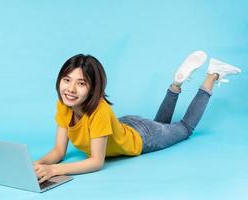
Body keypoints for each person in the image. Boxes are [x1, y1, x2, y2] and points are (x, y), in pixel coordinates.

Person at [34, 51, 241, 183]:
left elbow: (96, 162)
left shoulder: (100, 111)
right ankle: (176, 84)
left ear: (92, 88)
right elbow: (59, 150)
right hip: (125, 125)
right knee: (161, 125)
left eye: (80, 83)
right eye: (67, 80)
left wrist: (53, 170)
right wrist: (37, 165)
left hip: (144, 137)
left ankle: (212, 74)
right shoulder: (65, 104)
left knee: (185, 128)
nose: (70, 89)